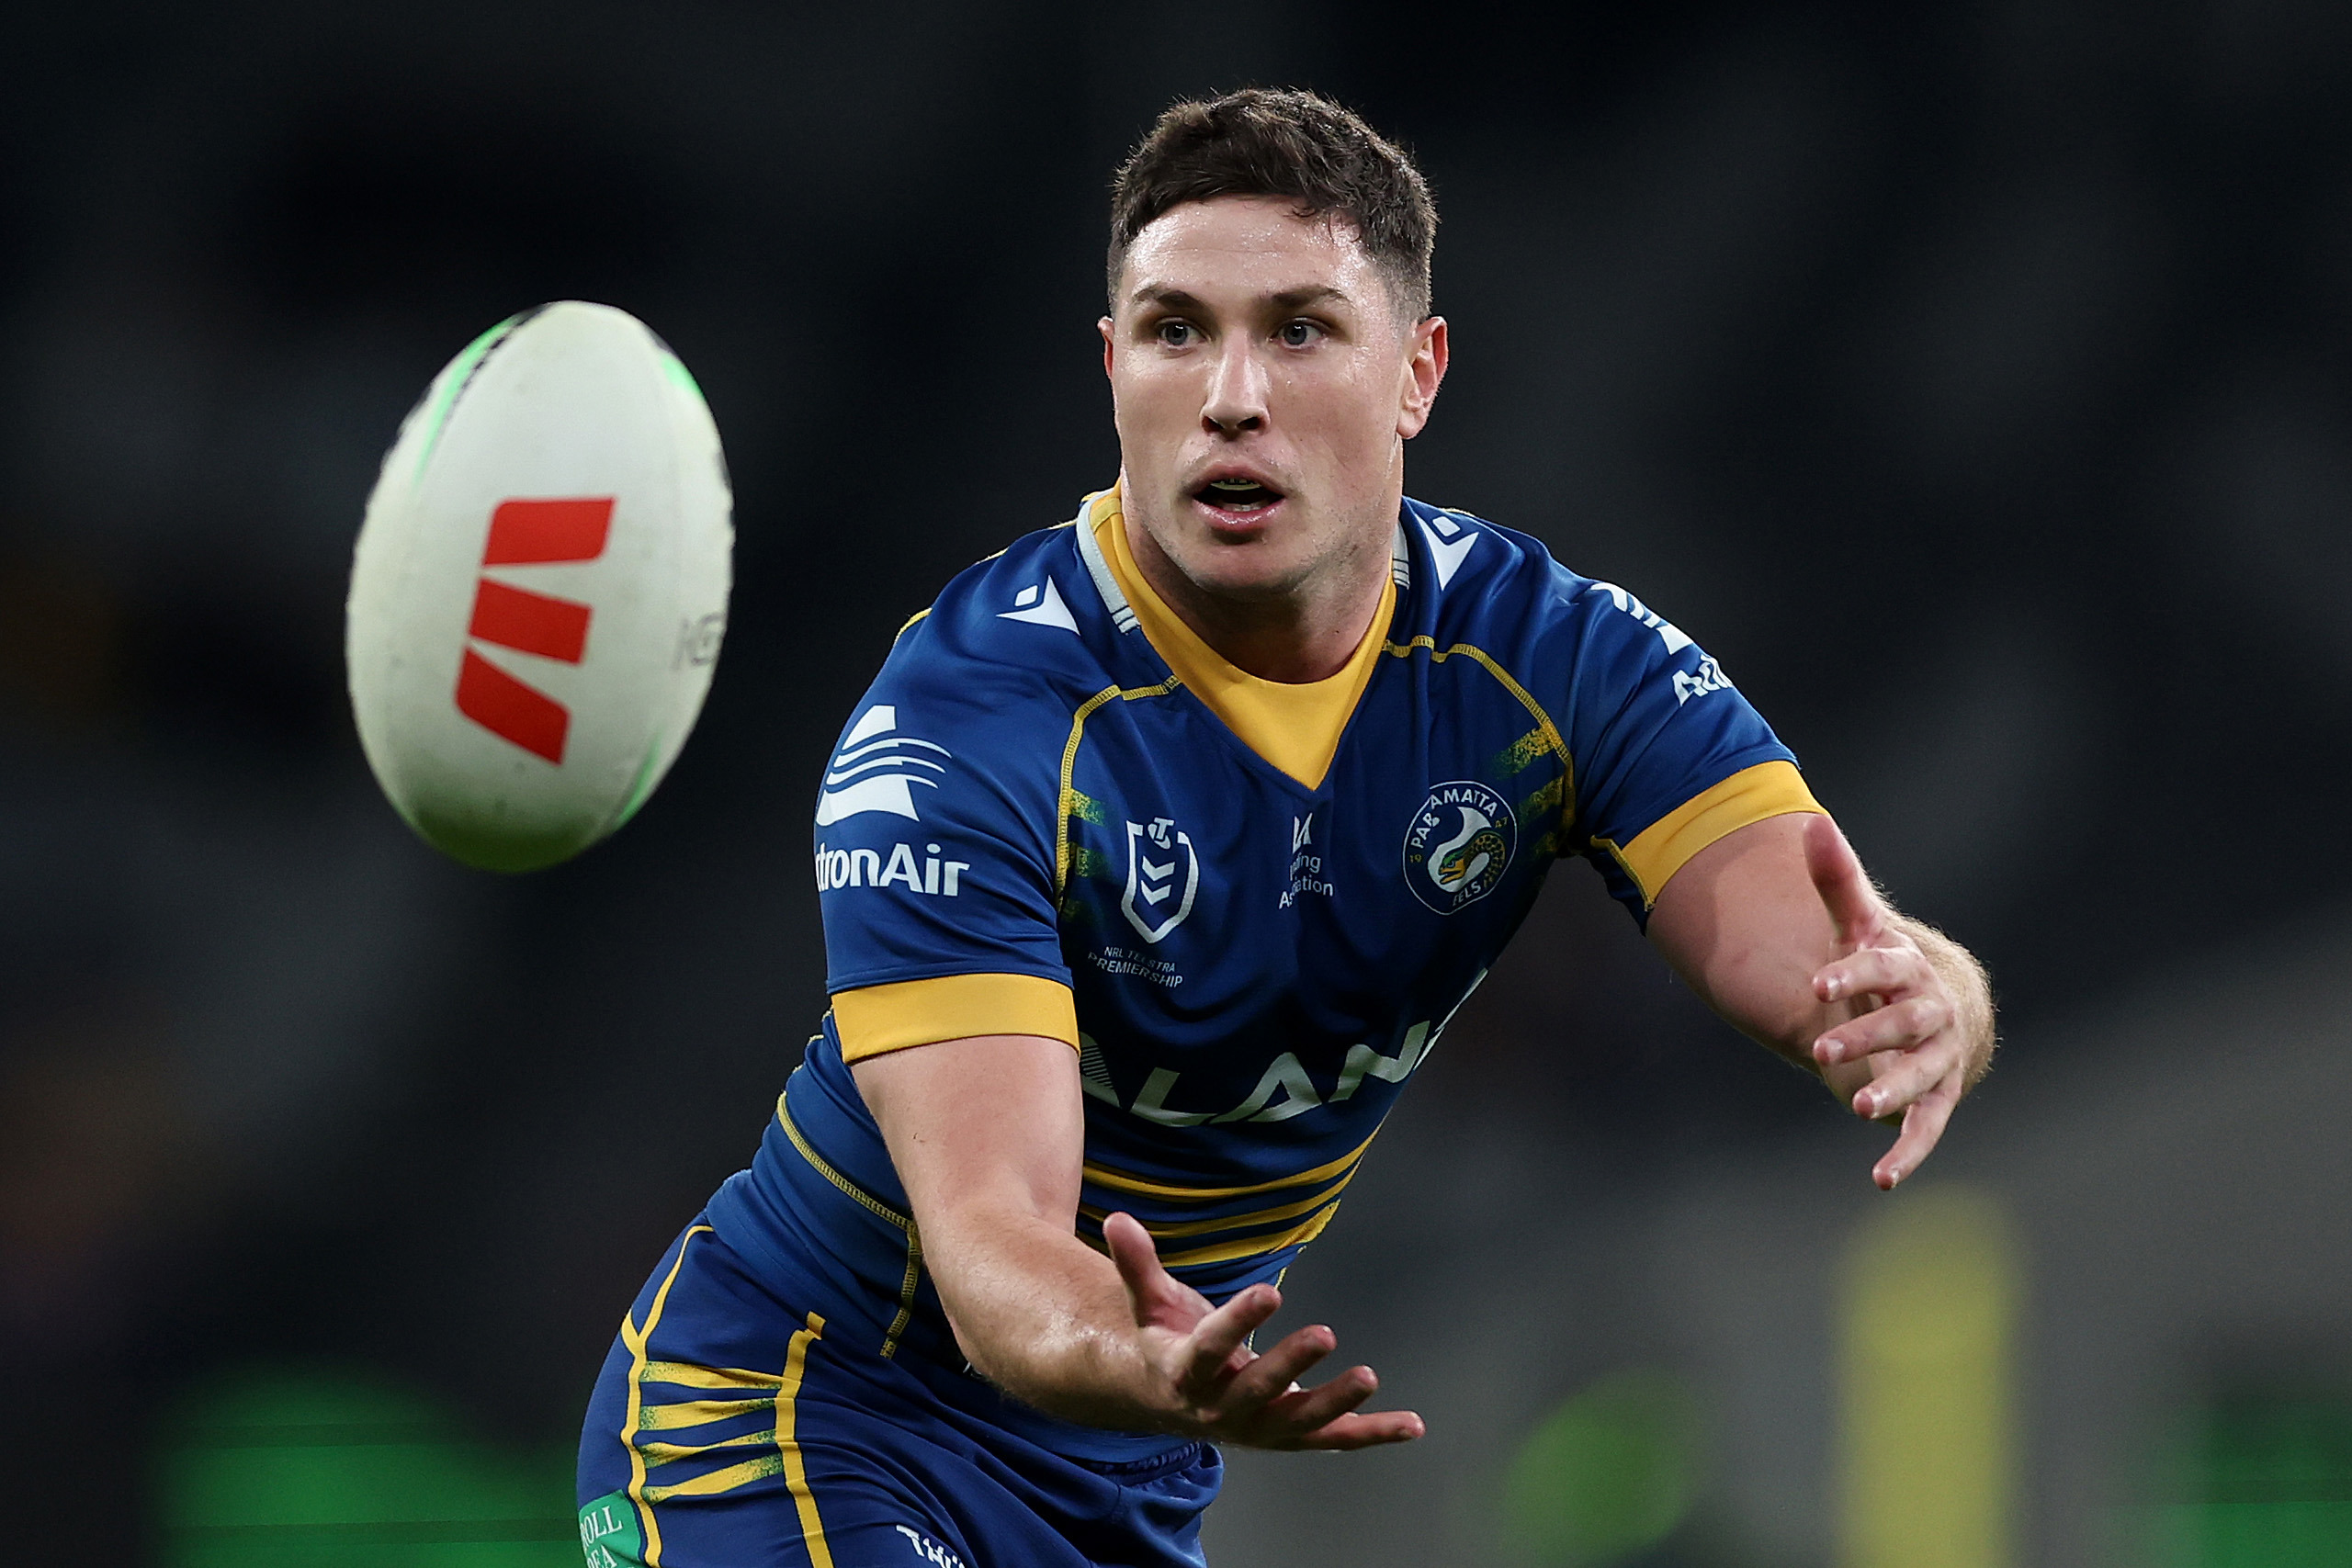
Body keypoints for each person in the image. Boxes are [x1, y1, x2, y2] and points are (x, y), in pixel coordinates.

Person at [575, 86, 1995, 1568]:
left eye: (1301, 329)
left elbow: (1836, 961)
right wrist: (1140, 1366)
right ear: (1113, 363)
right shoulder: (969, 724)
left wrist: (1928, 1004)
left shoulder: (1550, 661)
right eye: (1178, 330)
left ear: (1416, 374)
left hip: (1129, 1464)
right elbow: (993, 1253)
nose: (1231, 393)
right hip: (803, 1412)